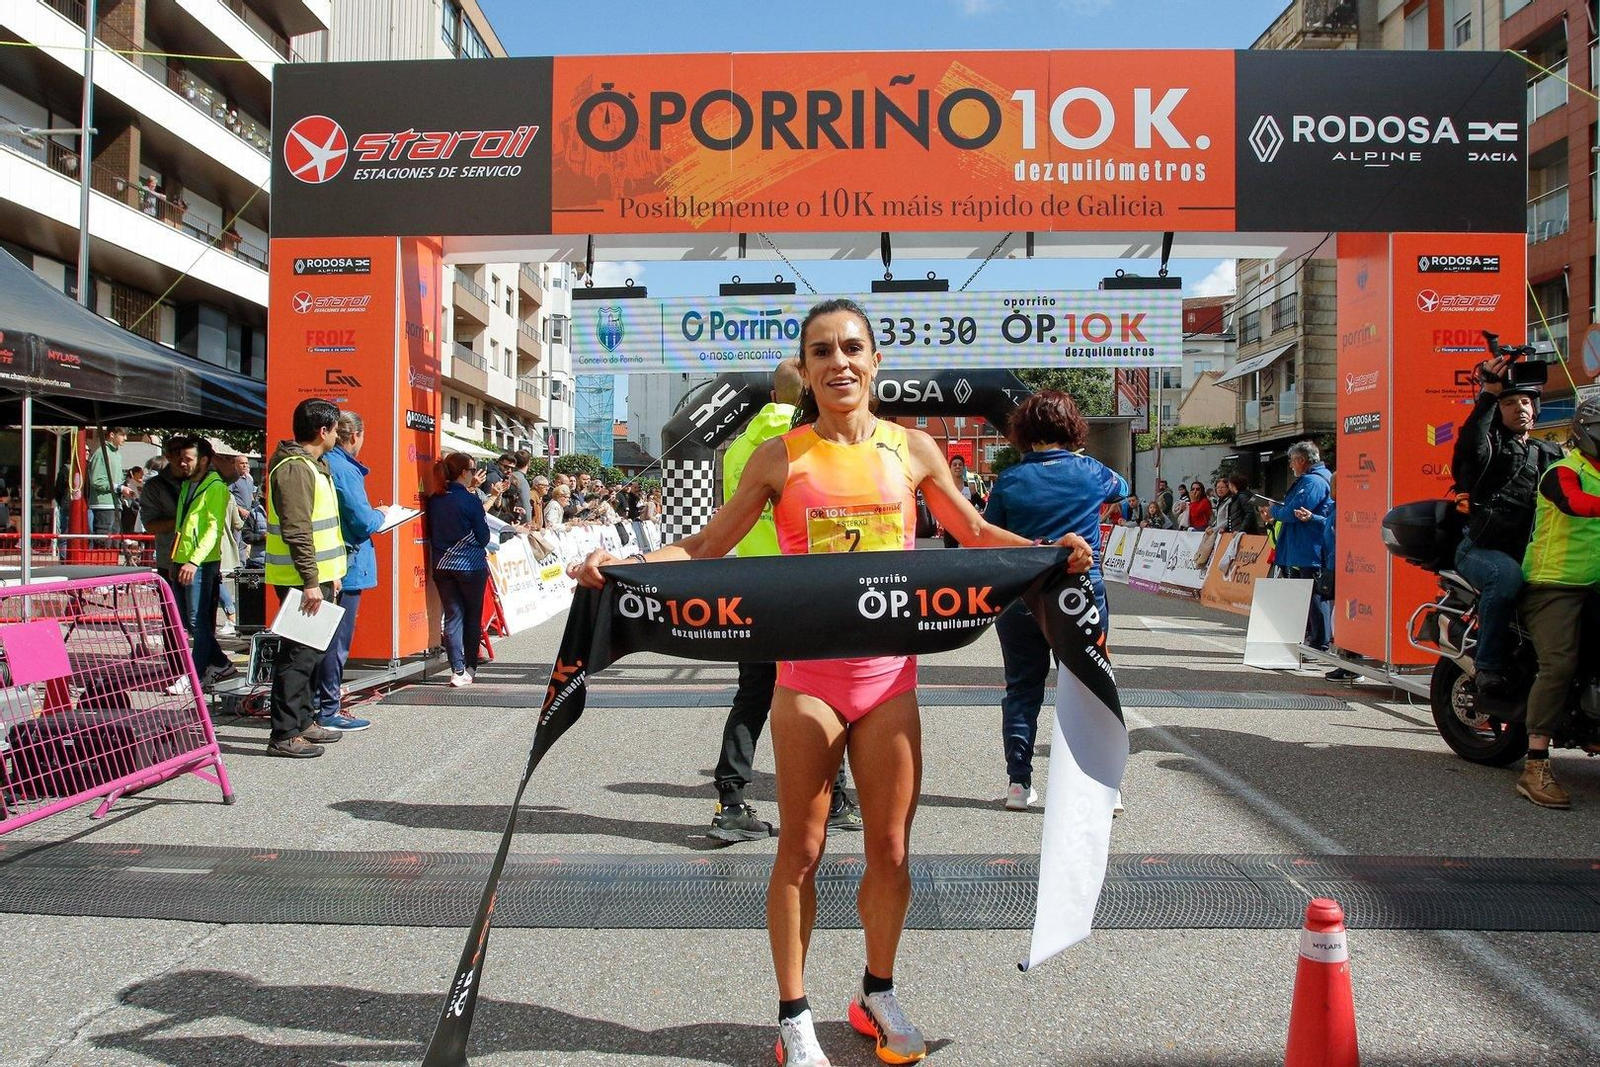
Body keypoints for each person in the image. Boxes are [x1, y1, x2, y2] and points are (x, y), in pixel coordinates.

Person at [573, 298, 1092, 1067]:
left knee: (889, 846)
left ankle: (876, 991)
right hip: (807, 681)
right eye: (822, 351)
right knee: (802, 849)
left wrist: (1053, 551)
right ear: (806, 369)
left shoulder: (912, 448)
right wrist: (625, 568)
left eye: (852, 347)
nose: (839, 361)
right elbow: (711, 544)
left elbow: (976, 534)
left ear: (875, 360)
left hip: (889, 677)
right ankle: (793, 1014)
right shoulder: (781, 456)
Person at [707, 358, 861, 843]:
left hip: (751, 585)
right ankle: (835, 800)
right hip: (806, 586)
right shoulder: (809, 444)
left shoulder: (737, 451)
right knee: (825, 690)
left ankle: (730, 802)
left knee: (752, 695)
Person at [983, 389, 1127, 810]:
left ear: (1024, 430)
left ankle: (1018, 784)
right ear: (1072, 428)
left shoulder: (1008, 480)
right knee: (1089, 685)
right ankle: (1104, 786)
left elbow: (988, 535)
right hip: (1080, 593)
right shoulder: (1092, 472)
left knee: (1023, 687)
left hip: (1022, 594)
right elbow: (1122, 488)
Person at [1451, 355, 1563, 697]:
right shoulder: (1490, 448)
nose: (1520, 408)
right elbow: (1470, 447)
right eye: (1511, 402)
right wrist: (1487, 395)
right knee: (1506, 576)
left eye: (1526, 401)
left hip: (1534, 550)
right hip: (1482, 548)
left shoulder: (1553, 452)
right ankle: (1488, 666)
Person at [1513, 396, 1600, 808]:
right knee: (1560, 663)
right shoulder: (1563, 471)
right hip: (1556, 585)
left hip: (1596, 585)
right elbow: (1575, 503)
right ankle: (1535, 763)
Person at [263, 399, 348, 759]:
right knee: (297, 657)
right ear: (323, 431)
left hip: (316, 576)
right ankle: (284, 733)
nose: (338, 436)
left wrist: (330, 576)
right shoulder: (296, 468)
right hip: (302, 578)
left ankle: (302, 721)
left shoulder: (311, 465)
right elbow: (298, 530)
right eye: (335, 429)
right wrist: (312, 580)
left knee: (310, 655)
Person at [313, 412, 385, 733]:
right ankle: (328, 709)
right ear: (354, 435)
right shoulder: (343, 469)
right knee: (335, 642)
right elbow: (362, 521)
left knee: (321, 640)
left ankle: (319, 705)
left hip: (328, 564)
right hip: (344, 564)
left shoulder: (325, 465)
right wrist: (381, 515)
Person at [170, 438, 236, 686]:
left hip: (200, 562)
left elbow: (213, 529)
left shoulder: (215, 486)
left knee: (197, 621)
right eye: (181, 458)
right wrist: (178, 560)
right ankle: (220, 663)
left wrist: (194, 561)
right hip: (183, 558)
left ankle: (193, 675)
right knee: (189, 621)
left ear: (204, 460)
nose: (182, 463)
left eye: (188, 458)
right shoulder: (189, 484)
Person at [428, 452, 492, 687]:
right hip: (470, 565)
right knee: (472, 618)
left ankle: (456, 669)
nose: (475, 475)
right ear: (464, 473)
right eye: (473, 470)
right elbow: (484, 537)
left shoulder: (435, 498)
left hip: (442, 565)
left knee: (453, 617)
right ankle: (469, 668)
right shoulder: (470, 500)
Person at [1271, 441, 1335, 650]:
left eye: (1291, 461)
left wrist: (1274, 511)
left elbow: (1294, 511)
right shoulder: (1316, 478)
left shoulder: (1312, 481)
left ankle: (1319, 641)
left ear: (1301, 460)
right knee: (1307, 593)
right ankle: (1313, 638)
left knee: (1314, 594)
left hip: (1310, 548)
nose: (1290, 465)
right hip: (1306, 547)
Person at [86, 427, 128, 539]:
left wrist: (123, 488)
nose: (125, 438)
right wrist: (119, 488)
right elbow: (97, 480)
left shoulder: (117, 455)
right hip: (103, 504)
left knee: (114, 541)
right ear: (112, 435)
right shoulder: (101, 453)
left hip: (116, 503)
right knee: (103, 540)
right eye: (122, 435)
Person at [939, 454, 985, 547]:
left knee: (968, 558)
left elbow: (983, 505)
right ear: (950, 468)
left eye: (960, 465)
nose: (957, 467)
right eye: (954, 465)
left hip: (968, 529)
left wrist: (975, 494)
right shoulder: (946, 488)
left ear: (964, 468)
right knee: (951, 557)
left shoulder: (970, 487)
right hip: (951, 529)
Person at [119, 466, 146, 533]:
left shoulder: (143, 484)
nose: (142, 475)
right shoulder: (129, 483)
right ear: (135, 473)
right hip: (130, 507)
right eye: (140, 473)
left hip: (139, 506)